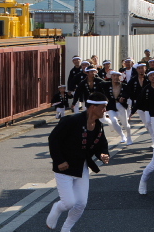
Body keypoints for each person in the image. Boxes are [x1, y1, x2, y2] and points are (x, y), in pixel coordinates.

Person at [46, 92, 110, 232]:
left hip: (82, 167)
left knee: (81, 204)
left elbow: (101, 144)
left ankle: (66, 229)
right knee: (68, 203)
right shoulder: (71, 120)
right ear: (93, 107)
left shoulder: (98, 125)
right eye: (103, 107)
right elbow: (53, 139)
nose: (105, 110)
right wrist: (59, 161)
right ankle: (57, 208)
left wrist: (103, 154)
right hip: (65, 167)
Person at [100, 71, 132, 145]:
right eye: (114, 76)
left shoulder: (124, 85)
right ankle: (122, 136)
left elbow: (128, 93)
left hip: (121, 106)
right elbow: (99, 83)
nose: (115, 77)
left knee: (125, 124)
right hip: (111, 106)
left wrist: (123, 97)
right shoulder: (106, 84)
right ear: (111, 76)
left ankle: (129, 137)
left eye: (117, 76)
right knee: (114, 121)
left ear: (120, 77)